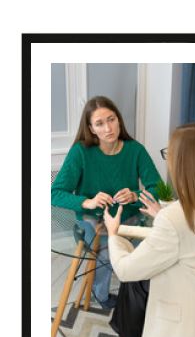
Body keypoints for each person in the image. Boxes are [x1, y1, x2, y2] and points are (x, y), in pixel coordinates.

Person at [104, 123, 195, 337]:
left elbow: (125, 269)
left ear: (182, 164)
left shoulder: (175, 218)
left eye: (170, 154)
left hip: (191, 324)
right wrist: (162, 215)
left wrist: (113, 235)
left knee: (134, 283)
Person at [51, 96, 161, 309]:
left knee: (148, 251)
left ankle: (136, 296)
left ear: (119, 120)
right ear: (91, 128)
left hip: (129, 218)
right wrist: (88, 201)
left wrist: (136, 195)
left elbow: (158, 187)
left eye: (111, 119)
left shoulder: (135, 150)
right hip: (92, 220)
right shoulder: (81, 152)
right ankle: (101, 294)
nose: (108, 128)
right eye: (100, 123)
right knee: (107, 249)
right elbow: (55, 193)